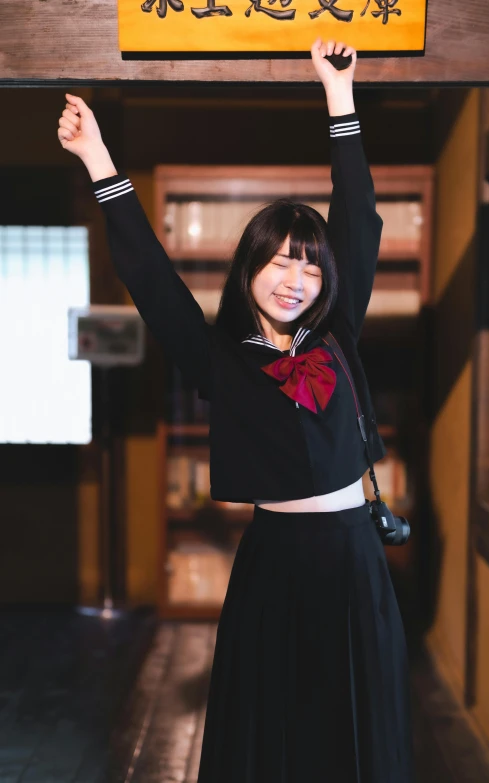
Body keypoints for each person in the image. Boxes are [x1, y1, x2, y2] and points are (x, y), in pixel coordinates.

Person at [58, 37, 413, 783]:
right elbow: (152, 278)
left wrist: (339, 96)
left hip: (353, 557)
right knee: (276, 732)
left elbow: (359, 217)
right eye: (280, 259)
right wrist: (98, 160)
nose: (296, 278)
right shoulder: (220, 355)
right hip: (274, 564)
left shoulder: (338, 334)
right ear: (249, 267)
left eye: (310, 264)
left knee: (356, 726)